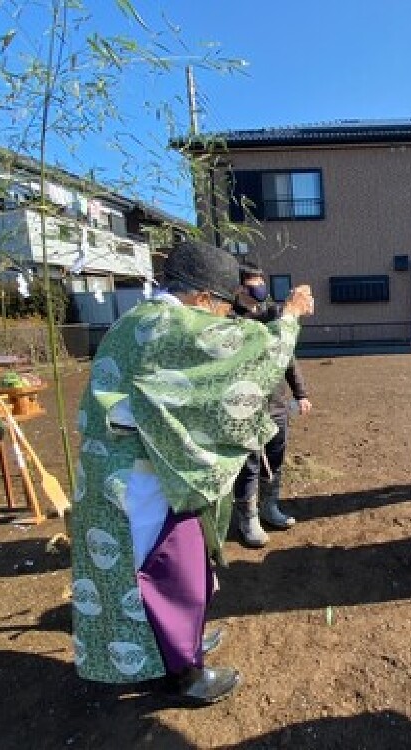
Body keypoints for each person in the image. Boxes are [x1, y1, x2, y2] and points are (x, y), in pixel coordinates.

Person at [70, 239, 314, 704]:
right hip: (143, 477)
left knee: (160, 569)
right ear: (202, 297)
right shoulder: (170, 321)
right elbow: (245, 353)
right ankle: (184, 673)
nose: (223, 318)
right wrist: (290, 316)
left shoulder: (137, 320)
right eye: (222, 308)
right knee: (168, 572)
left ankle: (179, 647)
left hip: (129, 469)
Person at [232, 262, 313, 547]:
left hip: (277, 404)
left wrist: (300, 393)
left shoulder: (270, 315)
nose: (261, 289)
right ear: (240, 288)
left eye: (262, 283)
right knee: (250, 462)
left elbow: (288, 358)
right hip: (246, 406)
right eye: (255, 284)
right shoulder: (230, 320)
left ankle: (269, 505)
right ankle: (248, 516)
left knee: (275, 457)